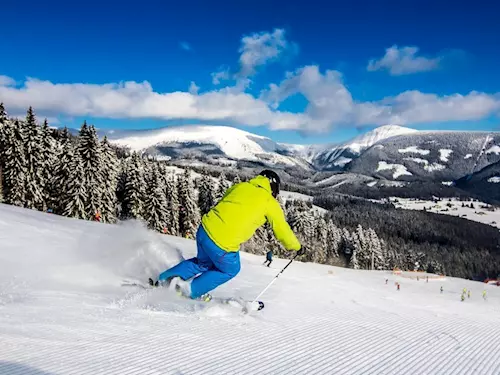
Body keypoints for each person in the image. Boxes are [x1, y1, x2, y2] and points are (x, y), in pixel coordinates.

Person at [155, 170, 302, 301]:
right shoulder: (269, 202)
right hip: (222, 242)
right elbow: (281, 229)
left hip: (205, 229)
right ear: (274, 188)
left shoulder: (241, 186)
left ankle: (164, 279)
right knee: (230, 269)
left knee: (203, 263)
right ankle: (190, 290)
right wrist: (296, 247)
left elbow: (226, 201)